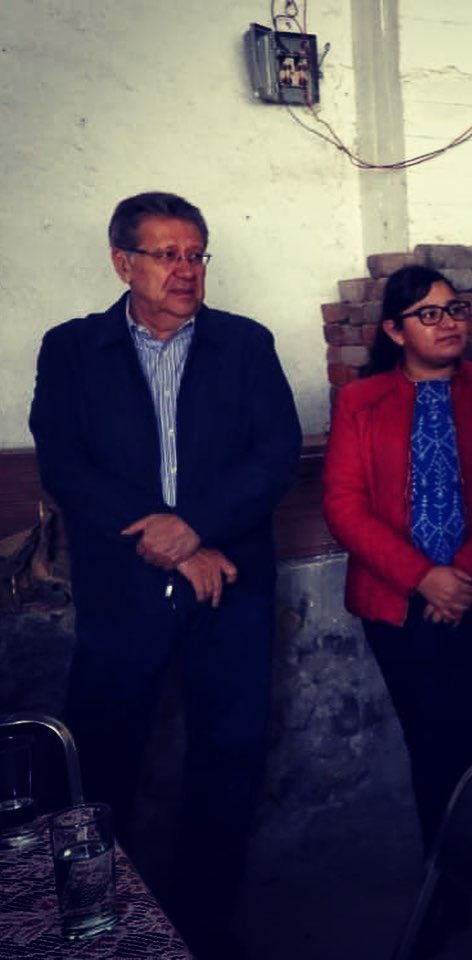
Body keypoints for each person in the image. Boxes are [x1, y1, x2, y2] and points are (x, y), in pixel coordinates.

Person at [29, 192, 302, 960]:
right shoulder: (73, 348)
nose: (185, 270)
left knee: (230, 758)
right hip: (124, 592)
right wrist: (177, 543)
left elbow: (276, 454)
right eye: (166, 254)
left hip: (231, 589)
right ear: (124, 263)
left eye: (195, 254)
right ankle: (96, 929)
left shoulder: (244, 344)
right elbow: (65, 464)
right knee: (100, 757)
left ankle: (202, 929)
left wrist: (197, 527)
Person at [322, 265, 472, 954]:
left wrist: (462, 577)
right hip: (397, 608)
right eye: (429, 314)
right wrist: (423, 579)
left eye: (454, 309)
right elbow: (344, 505)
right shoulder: (361, 401)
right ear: (395, 330)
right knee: (434, 749)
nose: (449, 323)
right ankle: (446, 893)